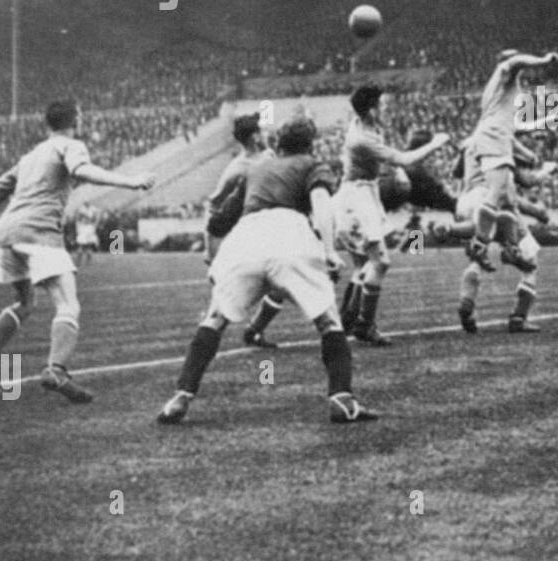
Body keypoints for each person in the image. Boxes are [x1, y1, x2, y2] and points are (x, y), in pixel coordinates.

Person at [156, 116, 375, 425]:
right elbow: (321, 203)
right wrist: (328, 250)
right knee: (329, 322)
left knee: (215, 319)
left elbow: (218, 221)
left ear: (278, 143)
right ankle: (342, 399)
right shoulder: (312, 165)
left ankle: (181, 396)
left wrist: (216, 259)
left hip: (246, 237)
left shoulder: (256, 169)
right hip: (289, 232)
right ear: (309, 144)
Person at [0, 100, 155, 403]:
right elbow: (81, 170)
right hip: (38, 231)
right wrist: (131, 181)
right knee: (67, 304)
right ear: (76, 120)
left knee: (24, 301)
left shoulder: (31, 155)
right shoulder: (70, 145)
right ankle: (56, 370)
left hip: (7, 230)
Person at [333, 85, 450, 346]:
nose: (384, 107)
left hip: (364, 193)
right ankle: (363, 325)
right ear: (371, 109)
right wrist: (436, 143)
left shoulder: (366, 124)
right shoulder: (362, 138)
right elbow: (405, 159)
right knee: (381, 262)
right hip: (357, 198)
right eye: (380, 104)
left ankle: (348, 320)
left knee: (365, 265)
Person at [466, 49, 558, 270]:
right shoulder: (503, 76)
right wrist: (543, 60)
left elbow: (515, 127)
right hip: (494, 140)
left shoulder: (504, 92)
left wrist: (545, 121)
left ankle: (510, 249)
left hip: (495, 139)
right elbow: (516, 61)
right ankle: (479, 245)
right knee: (497, 192)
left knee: (506, 199)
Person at [450, 136, 552, 334]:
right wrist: (546, 171)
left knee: (478, 258)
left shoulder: (471, 140)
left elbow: (456, 172)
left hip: (468, 202)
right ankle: (518, 317)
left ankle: (467, 304)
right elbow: (526, 178)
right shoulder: (504, 138)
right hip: (496, 201)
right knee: (529, 260)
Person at [203, 112, 282, 349]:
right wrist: (209, 248)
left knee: (280, 283)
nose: (265, 133)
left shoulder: (269, 155)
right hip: (247, 232)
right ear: (254, 136)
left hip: (270, 227)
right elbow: (213, 204)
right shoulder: (237, 168)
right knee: (233, 291)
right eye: (261, 130)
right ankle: (211, 331)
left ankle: (254, 330)